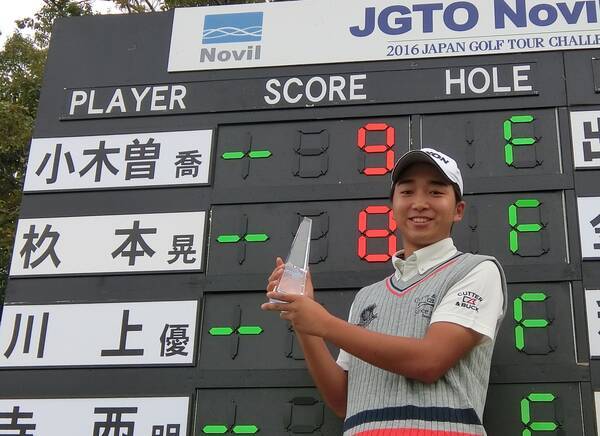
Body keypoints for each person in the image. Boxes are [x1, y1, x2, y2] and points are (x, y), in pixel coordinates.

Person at [262, 148, 506, 436]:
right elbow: (342, 401)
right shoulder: (367, 297)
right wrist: (303, 319)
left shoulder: (477, 270)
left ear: (458, 210)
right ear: (393, 207)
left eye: (435, 192)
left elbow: (429, 361)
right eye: (407, 192)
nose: (419, 203)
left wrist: (324, 323)